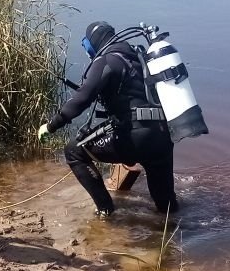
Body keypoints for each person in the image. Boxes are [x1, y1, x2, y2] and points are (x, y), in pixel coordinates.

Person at [39, 21, 179, 218]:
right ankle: (173, 235)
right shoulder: (141, 58)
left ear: (93, 43)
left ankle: (105, 210)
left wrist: (51, 126)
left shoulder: (106, 60)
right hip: (162, 137)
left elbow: (81, 99)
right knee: (167, 209)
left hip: (133, 136)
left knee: (74, 151)